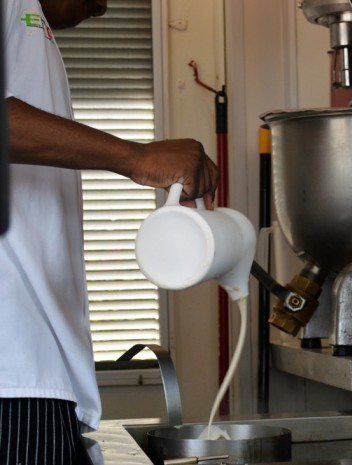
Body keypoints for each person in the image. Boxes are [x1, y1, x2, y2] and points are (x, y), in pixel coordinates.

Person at [1, 0, 219, 463]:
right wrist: (136, 157)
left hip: (38, 372)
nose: (103, 8)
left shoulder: (32, 25)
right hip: (12, 373)